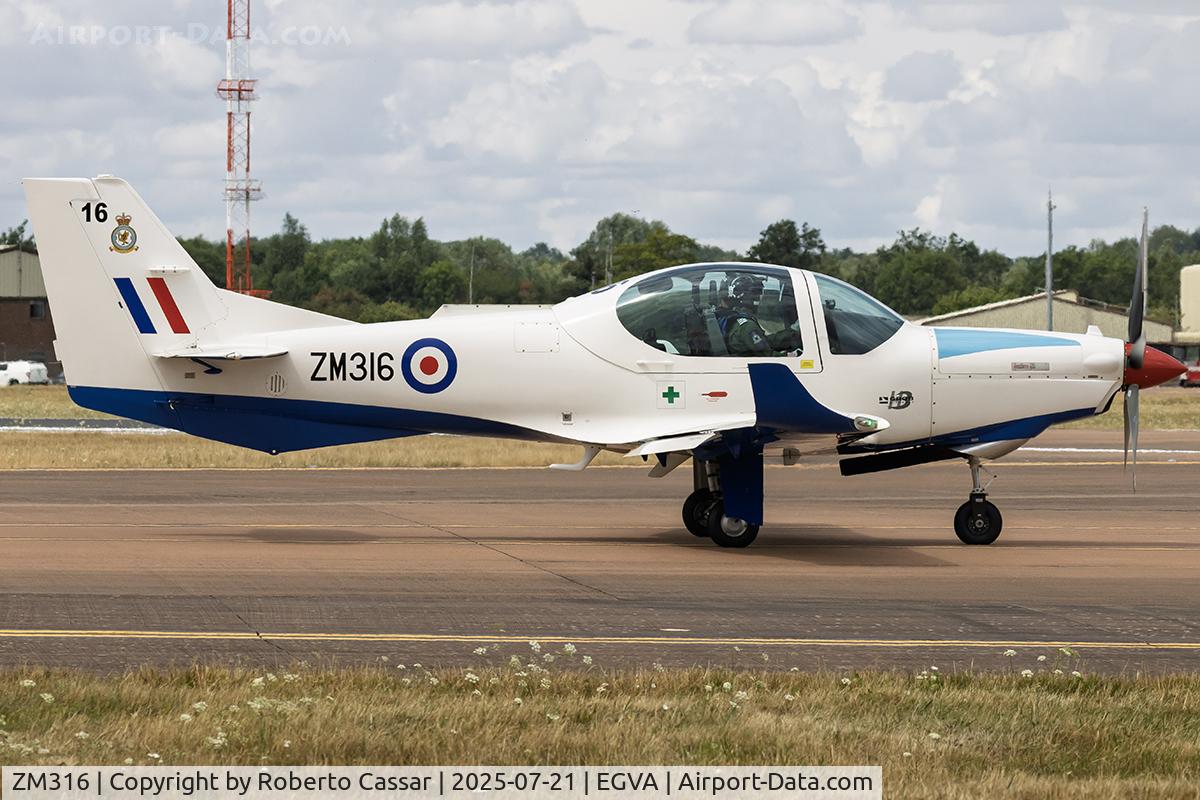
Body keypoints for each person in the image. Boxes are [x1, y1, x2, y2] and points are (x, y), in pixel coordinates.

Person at [715, 273, 801, 356]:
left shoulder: (729, 318)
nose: (760, 297)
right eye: (758, 293)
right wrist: (791, 355)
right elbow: (767, 356)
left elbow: (763, 341)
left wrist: (792, 332)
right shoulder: (747, 326)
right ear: (749, 297)